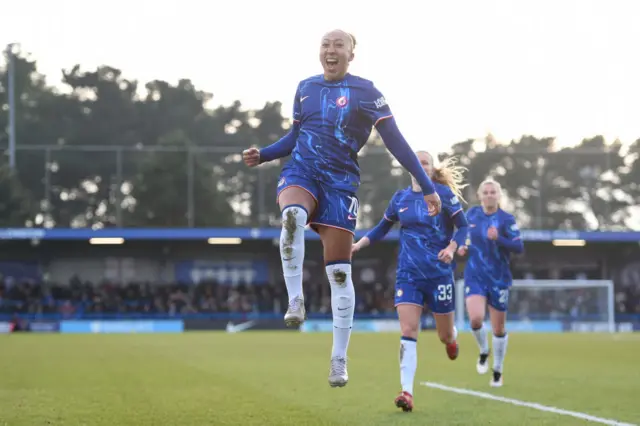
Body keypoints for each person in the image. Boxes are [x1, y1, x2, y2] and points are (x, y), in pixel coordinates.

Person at [242, 29, 442, 388]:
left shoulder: (366, 92)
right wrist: (266, 154)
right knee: (292, 216)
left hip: (340, 184)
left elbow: (397, 142)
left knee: (339, 273)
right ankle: (296, 299)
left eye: (339, 45)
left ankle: (338, 358)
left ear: (352, 54)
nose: (330, 50)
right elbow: (295, 137)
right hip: (301, 171)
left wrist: (427, 187)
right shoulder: (305, 87)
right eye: (325, 44)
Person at [352, 151, 469, 412]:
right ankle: (407, 392)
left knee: (444, 334)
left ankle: (451, 340)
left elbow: (463, 227)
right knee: (408, 331)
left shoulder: (443, 195)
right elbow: (382, 227)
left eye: (425, 162)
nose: (420, 166)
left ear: (431, 168)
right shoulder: (400, 198)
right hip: (409, 274)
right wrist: (359, 244)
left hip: (439, 274)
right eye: (415, 162)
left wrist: (451, 248)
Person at [456, 178, 524, 387]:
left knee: (498, 329)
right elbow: (462, 237)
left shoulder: (506, 219)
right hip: (475, 275)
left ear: (499, 195)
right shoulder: (472, 215)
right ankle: (484, 350)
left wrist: (499, 239)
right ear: (479, 196)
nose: (489, 195)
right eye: (485, 192)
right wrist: (461, 248)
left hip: (499, 278)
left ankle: (498, 370)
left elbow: (519, 247)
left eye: (493, 192)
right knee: (475, 319)